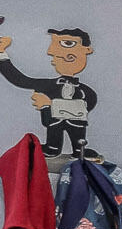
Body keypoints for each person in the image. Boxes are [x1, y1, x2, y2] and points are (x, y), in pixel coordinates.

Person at [0, 23, 99, 161]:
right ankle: (52, 148)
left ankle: (78, 150)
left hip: (77, 127)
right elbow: (20, 80)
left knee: (78, 140)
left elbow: (87, 105)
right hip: (53, 124)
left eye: (67, 44)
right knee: (53, 139)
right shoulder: (47, 85)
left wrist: (52, 103)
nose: (52, 53)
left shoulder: (85, 91)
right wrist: (1, 55)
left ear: (87, 50)